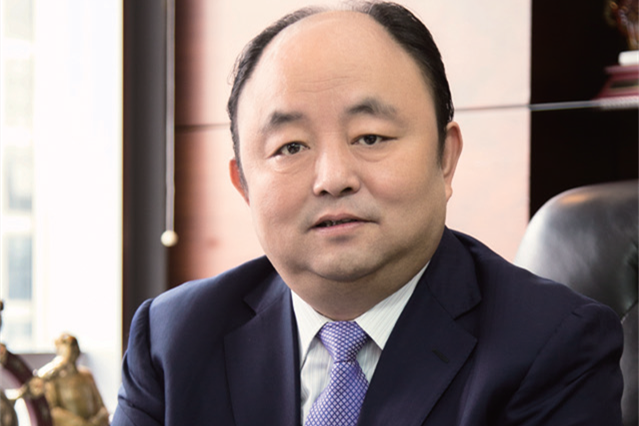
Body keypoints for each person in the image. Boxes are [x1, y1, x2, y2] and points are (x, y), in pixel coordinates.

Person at [112, 2, 624, 425]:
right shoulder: (172, 341)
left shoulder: (553, 346)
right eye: (290, 147)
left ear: (445, 158)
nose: (333, 177)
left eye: (371, 137)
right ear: (243, 183)